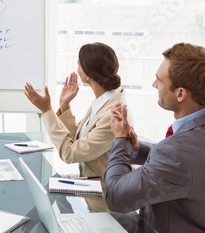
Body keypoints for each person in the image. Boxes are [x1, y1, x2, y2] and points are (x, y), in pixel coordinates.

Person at [105, 42, 205, 233]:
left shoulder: (177, 153)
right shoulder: (193, 138)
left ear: (180, 93)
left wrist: (120, 139)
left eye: (159, 80)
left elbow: (115, 197)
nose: (154, 84)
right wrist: (137, 149)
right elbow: (185, 162)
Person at [24, 42, 131, 181]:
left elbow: (70, 153)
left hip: (104, 190)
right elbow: (77, 141)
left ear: (88, 74)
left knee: (44, 186)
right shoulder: (103, 102)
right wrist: (64, 105)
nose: (77, 67)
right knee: (46, 184)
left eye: (79, 64)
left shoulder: (112, 115)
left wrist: (46, 110)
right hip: (91, 181)